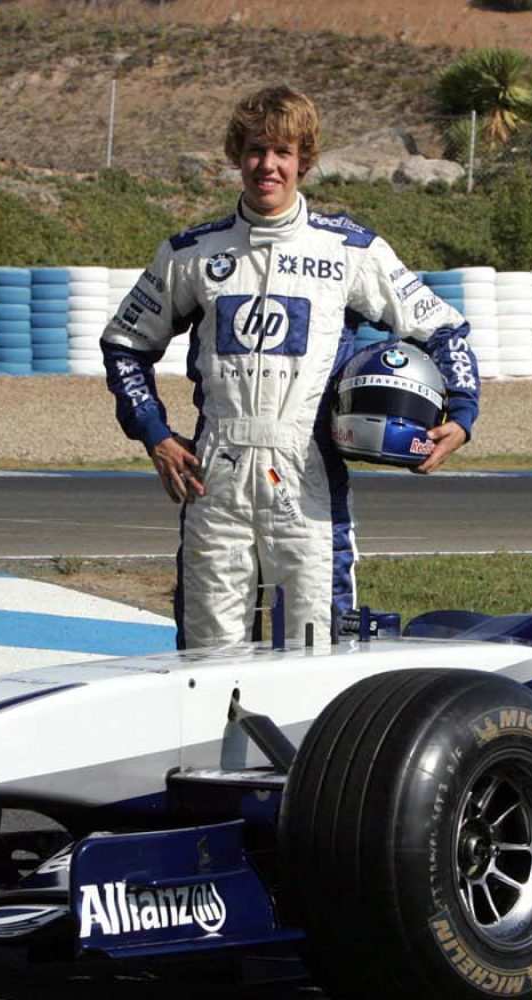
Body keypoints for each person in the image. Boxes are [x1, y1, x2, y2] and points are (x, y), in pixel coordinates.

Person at [101, 85, 480, 650]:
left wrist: (463, 414)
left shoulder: (351, 251)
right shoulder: (192, 253)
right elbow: (124, 344)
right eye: (256, 150)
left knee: (316, 653)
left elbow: (444, 329)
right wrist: (154, 434)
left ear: (305, 159)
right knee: (206, 660)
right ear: (237, 155)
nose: (268, 166)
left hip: (308, 477)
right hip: (215, 477)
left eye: (283, 152)